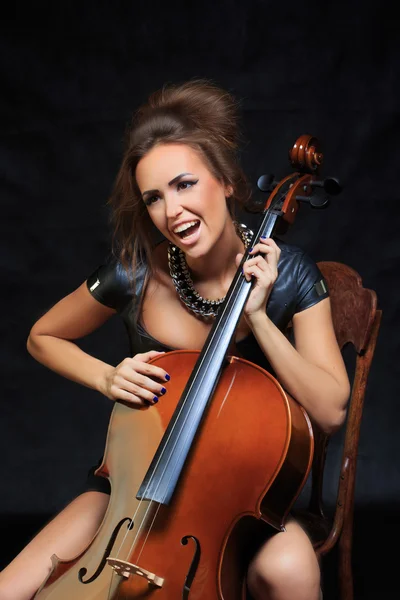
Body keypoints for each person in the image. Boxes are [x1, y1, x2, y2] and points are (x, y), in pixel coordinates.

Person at [0, 79, 350, 600]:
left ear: (227, 182)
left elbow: (329, 411)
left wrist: (257, 318)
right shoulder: (135, 274)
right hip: (132, 493)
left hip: (241, 504)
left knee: (292, 572)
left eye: (185, 184)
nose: (173, 212)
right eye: (154, 198)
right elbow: (41, 336)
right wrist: (106, 375)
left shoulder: (292, 275)